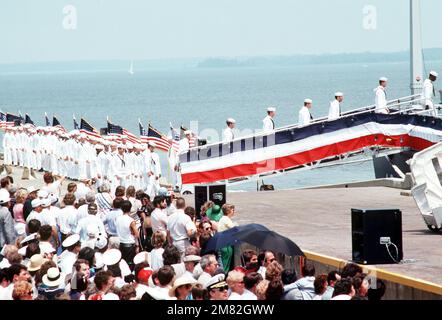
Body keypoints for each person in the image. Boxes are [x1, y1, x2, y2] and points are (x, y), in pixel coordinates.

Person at [116, 200, 139, 270]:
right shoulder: (131, 220)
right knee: (130, 265)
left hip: (121, 244)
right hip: (129, 245)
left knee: (123, 264)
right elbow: (137, 234)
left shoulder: (118, 219)